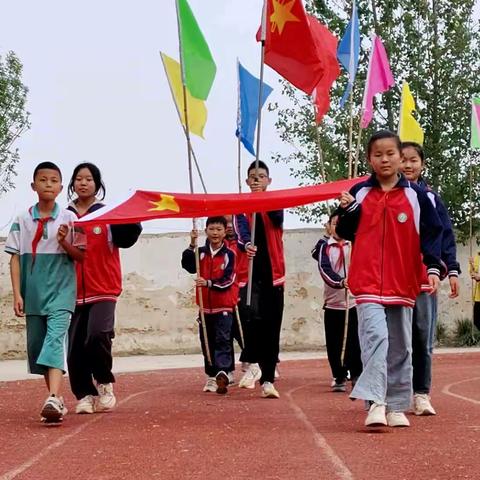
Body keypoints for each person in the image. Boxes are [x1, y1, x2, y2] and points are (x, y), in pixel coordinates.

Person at [336, 130, 443, 428]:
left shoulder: (418, 196)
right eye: (378, 154)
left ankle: (396, 405)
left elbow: (433, 235)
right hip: (367, 281)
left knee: (401, 346)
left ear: (399, 157)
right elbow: (343, 231)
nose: (384, 159)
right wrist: (347, 211)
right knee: (376, 339)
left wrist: (434, 268)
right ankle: (376, 403)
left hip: (403, 282)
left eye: (390, 154)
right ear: (369, 159)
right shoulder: (358, 193)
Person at [5, 161, 85, 423]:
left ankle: (52, 396)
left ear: (61, 187)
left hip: (62, 291)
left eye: (53, 181)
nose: (48, 184)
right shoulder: (21, 219)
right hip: (34, 293)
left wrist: (63, 241)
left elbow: (80, 256)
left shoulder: (71, 219)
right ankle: (56, 399)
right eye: (43, 180)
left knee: (54, 341)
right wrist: (17, 294)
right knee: (38, 347)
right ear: (33, 185)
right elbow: (14, 258)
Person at [66, 163, 142, 414]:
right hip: (71, 291)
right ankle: (84, 394)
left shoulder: (108, 214)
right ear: (72, 184)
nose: (83, 183)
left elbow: (128, 236)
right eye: (78, 179)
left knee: (97, 334)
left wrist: (133, 214)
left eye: (89, 179)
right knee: (75, 347)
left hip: (105, 287)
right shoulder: (64, 214)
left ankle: (104, 382)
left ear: (98, 184)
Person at [401, 142, 460, 416]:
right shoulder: (387, 196)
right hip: (395, 278)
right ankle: (396, 393)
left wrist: (453, 269)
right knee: (396, 339)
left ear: (421, 164)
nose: (408, 165)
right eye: (403, 159)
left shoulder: (431, 199)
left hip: (425, 278)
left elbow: (445, 236)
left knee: (423, 336)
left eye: (413, 160)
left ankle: (421, 393)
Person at [235, 160, 285, 399]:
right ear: (246, 181)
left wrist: (262, 201)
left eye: (261, 176)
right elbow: (241, 233)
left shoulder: (276, 202)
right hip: (250, 275)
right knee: (250, 319)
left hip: (274, 276)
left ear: (268, 181)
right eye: (253, 177)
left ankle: (268, 378)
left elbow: (277, 218)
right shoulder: (240, 207)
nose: (256, 180)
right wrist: (246, 245)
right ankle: (251, 362)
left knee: (272, 325)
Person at [181, 216, 237, 395]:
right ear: (206, 231)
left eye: (219, 229)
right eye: (212, 229)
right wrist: (191, 244)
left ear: (224, 232)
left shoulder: (229, 254)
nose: (215, 233)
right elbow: (188, 266)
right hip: (205, 307)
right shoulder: (201, 253)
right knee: (207, 342)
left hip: (223, 306)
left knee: (222, 339)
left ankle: (223, 371)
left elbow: (229, 279)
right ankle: (211, 376)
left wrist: (209, 283)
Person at [315, 209, 362, 392]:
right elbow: (324, 269)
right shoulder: (324, 247)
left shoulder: (355, 245)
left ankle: (357, 374)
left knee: (355, 341)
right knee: (334, 343)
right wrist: (340, 282)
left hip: (354, 302)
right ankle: (339, 375)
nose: (339, 227)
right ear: (329, 227)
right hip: (333, 303)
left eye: (342, 223)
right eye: (335, 224)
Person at [469, 253, 480, 331]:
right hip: (478, 295)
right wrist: (472, 265)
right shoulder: (478, 256)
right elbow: (473, 273)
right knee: (477, 320)